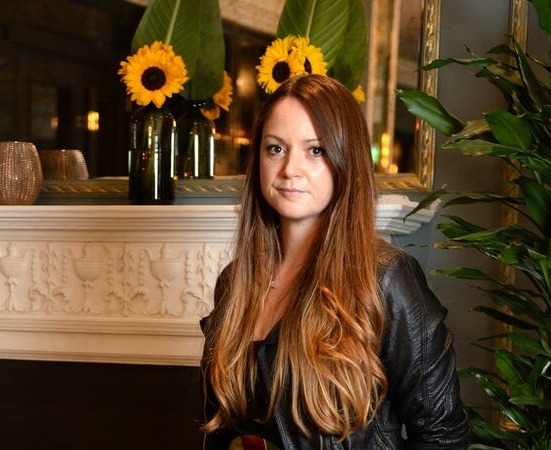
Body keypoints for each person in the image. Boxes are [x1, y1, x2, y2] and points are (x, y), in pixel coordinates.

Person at [199, 74, 469, 449]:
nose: (290, 169)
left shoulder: (387, 278)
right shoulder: (235, 281)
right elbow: (220, 423)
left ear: (346, 159)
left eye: (316, 150)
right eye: (276, 148)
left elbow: (443, 436)